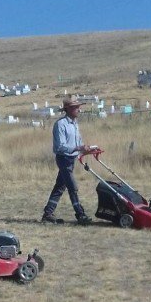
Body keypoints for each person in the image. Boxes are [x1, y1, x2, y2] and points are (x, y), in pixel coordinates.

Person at [41, 96, 93, 225]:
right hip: (63, 158)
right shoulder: (60, 124)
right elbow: (60, 146)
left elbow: (78, 142)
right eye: (76, 107)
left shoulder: (75, 124)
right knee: (72, 187)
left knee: (60, 186)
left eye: (79, 107)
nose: (78, 110)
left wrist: (85, 150)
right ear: (68, 109)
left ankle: (48, 213)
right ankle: (80, 214)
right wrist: (78, 147)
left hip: (71, 159)